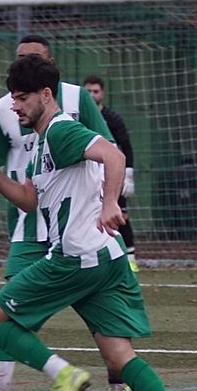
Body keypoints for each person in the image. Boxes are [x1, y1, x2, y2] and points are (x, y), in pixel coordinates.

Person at [0, 55, 197, 391]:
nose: (15, 106)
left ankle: (63, 374)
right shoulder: (41, 143)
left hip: (76, 257)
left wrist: (110, 202)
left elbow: (114, 155)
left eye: (22, 98)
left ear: (46, 95)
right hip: (105, 258)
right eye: (12, 99)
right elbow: (29, 201)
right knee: (119, 355)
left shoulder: (61, 130)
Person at [0, 35, 132, 391]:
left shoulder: (76, 100)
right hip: (30, 221)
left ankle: (117, 385)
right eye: (20, 57)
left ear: (49, 65)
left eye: (33, 57)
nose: (26, 62)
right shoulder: (5, 107)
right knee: (7, 305)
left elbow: (109, 150)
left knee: (100, 315)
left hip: (78, 225)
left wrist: (109, 201)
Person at [83, 74, 138, 275]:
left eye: (95, 91)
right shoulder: (79, 118)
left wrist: (128, 174)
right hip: (88, 176)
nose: (92, 95)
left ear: (103, 94)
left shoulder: (112, 119)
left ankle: (130, 260)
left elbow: (126, 146)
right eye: (88, 91)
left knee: (120, 215)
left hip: (112, 175)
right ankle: (97, 258)